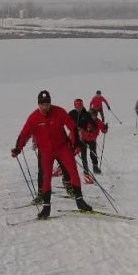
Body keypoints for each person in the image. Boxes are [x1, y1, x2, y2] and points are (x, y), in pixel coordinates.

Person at [11, 90, 93, 219]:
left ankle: (80, 201)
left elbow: (71, 126)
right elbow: (24, 134)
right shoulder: (33, 118)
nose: (45, 106)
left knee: (73, 172)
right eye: (42, 104)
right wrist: (17, 148)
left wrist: (76, 143)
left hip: (62, 148)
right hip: (46, 152)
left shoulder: (59, 112)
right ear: (39, 104)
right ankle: (46, 208)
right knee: (46, 178)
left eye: (47, 103)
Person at [68, 98, 95, 178]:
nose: (78, 108)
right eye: (76, 107)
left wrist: (88, 130)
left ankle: (86, 173)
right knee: (68, 154)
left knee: (83, 156)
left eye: (79, 106)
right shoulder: (71, 113)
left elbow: (94, 125)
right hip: (72, 136)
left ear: (82, 106)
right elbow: (64, 121)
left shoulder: (86, 114)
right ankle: (62, 169)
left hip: (83, 137)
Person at [84, 109, 108, 174]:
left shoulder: (98, 121)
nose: (93, 117)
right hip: (83, 139)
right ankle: (63, 166)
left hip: (92, 140)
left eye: (94, 115)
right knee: (80, 153)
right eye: (91, 115)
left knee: (93, 154)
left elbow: (103, 130)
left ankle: (95, 167)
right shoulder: (85, 120)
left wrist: (105, 128)